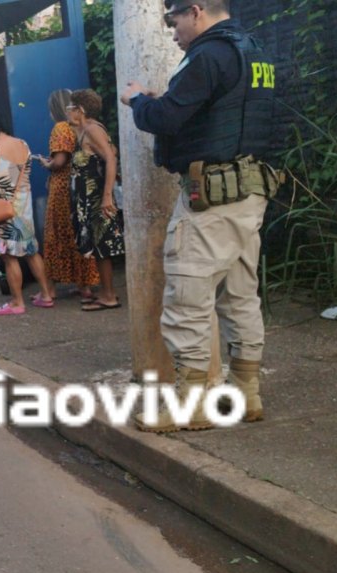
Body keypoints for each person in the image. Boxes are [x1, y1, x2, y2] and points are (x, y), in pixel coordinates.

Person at [121, 0, 280, 431]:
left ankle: (192, 407)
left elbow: (167, 119)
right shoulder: (254, 50)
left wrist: (137, 100)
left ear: (195, 11)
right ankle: (247, 393)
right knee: (241, 295)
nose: (172, 31)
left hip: (211, 199)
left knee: (188, 299)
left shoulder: (208, 54)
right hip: (250, 192)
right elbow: (222, 112)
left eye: (173, 20)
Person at [0, 109, 56, 316]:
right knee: (31, 251)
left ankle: (17, 302)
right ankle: (46, 294)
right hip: (22, 206)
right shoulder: (23, 145)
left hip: (0, 210)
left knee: (9, 257)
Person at [35, 89, 100, 302]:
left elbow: (60, 161)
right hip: (80, 187)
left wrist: (47, 164)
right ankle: (85, 287)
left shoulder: (61, 128)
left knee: (56, 237)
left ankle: (49, 290)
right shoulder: (81, 127)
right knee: (79, 236)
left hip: (63, 190)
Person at [66, 89, 124, 311]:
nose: (68, 112)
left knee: (102, 248)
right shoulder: (85, 130)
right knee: (98, 248)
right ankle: (105, 292)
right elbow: (112, 150)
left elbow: (110, 158)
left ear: (80, 110)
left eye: (70, 108)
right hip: (89, 198)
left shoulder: (92, 129)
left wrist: (107, 195)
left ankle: (109, 295)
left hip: (98, 197)